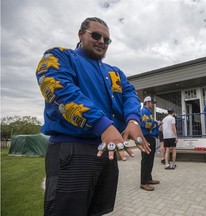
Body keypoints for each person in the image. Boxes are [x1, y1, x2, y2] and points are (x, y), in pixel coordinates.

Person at [35, 17, 150, 216]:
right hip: (72, 149)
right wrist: (102, 124)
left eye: (107, 40)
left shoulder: (115, 72)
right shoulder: (59, 56)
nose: (102, 42)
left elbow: (130, 94)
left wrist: (133, 119)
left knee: (97, 211)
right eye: (96, 35)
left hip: (108, 151)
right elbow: (59, 90)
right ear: (80, 34)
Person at [139, 96, 161, 191]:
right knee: (146, 160)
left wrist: (155, 122)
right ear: (147, 102)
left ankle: (148, 178)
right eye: (151, 103)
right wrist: (157, 123)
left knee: (149, 160)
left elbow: (149, 122)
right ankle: (144, 182)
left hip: (149, 138)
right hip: (146, 138)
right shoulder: (144, 111)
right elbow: (147, 124)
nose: (152, 104)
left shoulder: (147, 112)